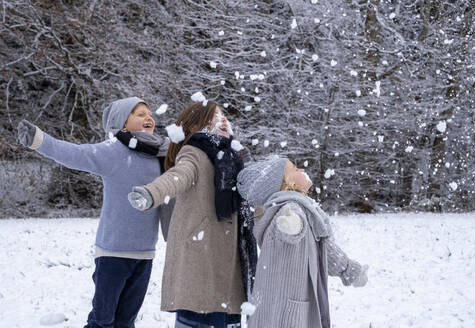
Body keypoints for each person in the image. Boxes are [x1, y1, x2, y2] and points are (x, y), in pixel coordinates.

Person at [17, 97, 174, 328]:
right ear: (122, 123)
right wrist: (40, 140)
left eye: (149, 113)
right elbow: (74, 153)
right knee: (102, 321)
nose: (148, 117)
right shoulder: (113, 151)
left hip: (145, 254)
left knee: (126, 321)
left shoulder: (161, 155)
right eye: (140, 114)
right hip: (112, 253)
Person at [127, 101, 257, 328]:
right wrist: (151, 193)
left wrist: (281, 215)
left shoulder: (235, 160)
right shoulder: (194, 153)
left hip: (231, 263)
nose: (224, 120)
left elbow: (252, 202)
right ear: (196, 128)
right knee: (201, 316)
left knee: (227, 317)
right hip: (201, 259)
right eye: (215, 116)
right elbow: (178, 176)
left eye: (224, 115)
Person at [236, 157, 369, 328]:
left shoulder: (304, 208)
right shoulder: (290, 208)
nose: (302, 170)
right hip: (287, 312)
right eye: (294, 169)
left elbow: (324, 248)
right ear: (286, 184)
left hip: (286, 303)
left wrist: (350, 270)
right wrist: (292, 226)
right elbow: (290, 229)